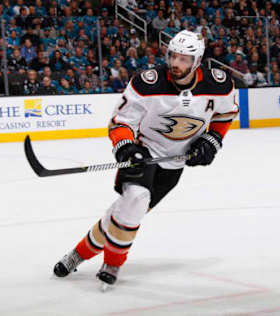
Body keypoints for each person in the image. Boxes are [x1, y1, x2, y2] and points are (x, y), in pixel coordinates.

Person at [52, 30, 239, 289]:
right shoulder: (147, 82)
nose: (175, 63)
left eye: (184, 59)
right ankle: (112, 265)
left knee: (123, 214)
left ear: (197, 61)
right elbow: (120, 122)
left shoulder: (218, 85)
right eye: (173, 56)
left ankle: (77, 255)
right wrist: (126, 147)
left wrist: (212, 140)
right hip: (144, 152)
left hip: (174, 164)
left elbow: (225, 115)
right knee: (135, 200)